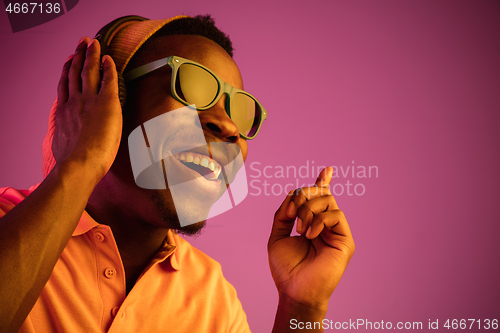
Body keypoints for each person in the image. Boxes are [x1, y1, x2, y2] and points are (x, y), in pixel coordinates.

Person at [0, 15, 355, 333]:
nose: (230, 126)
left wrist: (302, 307)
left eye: (240, 111)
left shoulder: (214, 298)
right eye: (193, 88)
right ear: (109, 99)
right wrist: (81, 161)